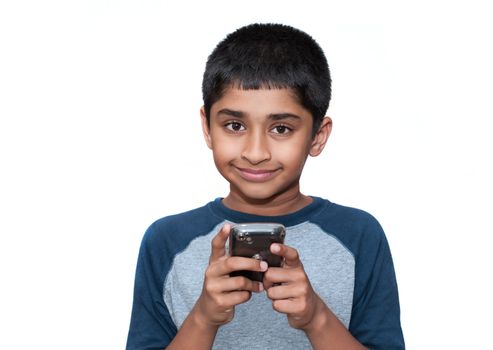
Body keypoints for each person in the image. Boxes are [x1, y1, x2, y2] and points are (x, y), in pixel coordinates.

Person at [126, 23, 404, 350]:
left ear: (318, 135)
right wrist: (203, 317)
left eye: (282, 129)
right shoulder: (167, 240)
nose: (255, 153)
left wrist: (317, 318)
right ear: (207, 127)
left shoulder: (359, 235)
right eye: (234, 125)